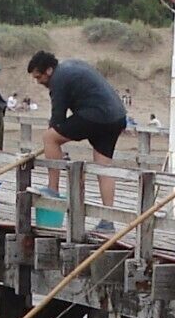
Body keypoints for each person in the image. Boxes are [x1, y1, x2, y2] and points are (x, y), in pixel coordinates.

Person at [26, 49, 126, 227]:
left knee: (49, 138)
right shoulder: (70, 67)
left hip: (97, 115)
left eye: (38, 77)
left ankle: (53, 190)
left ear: (48, 71)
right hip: (116, 117)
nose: (38, 81)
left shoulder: (58, 80)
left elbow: (57, 118)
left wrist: (53, 143)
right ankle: (108, 221)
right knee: (103, 166)